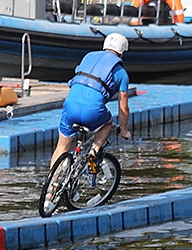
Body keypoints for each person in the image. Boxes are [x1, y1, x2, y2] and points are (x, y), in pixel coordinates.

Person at [49, 33, 131, 171]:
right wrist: (124, 131)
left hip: (70, 106)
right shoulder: (121, 73)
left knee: (61, 147)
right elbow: (123, 107)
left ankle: (51, 188)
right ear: (122, 53)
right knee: (107, 123)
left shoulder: (88, 56)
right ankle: (94, 151)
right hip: (92, 111)